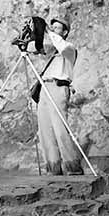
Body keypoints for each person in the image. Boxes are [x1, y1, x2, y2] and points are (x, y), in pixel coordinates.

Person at [37, 16, 83, 175]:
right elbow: (36, 49)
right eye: (53, 27)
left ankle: (72, 167)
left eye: (58, 28)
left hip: (59, 87)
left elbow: (61, 46)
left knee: (60, 128)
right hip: (44, 87)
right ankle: (53, 167)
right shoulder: (50, 50)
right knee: (45, 130)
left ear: (65, 32)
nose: (54, 30)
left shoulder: (69, 48)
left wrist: (49, 31)